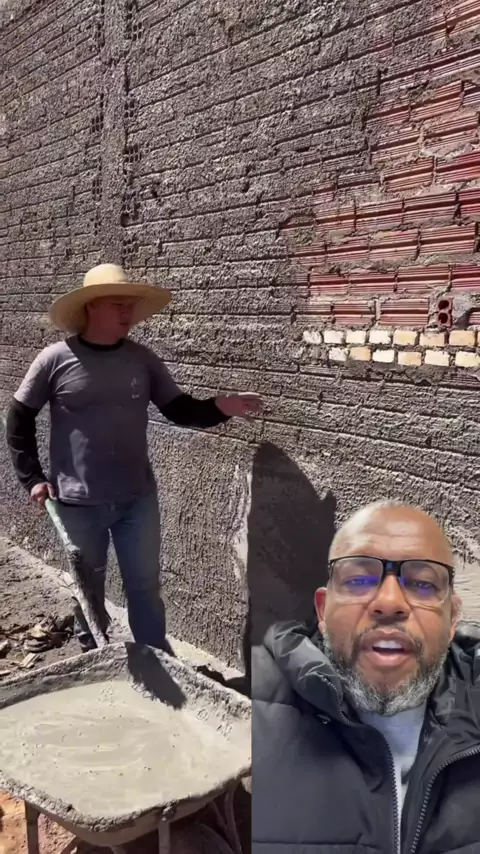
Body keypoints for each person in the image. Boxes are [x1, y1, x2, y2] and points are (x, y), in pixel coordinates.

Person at [7, 263, 263, 653]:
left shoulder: (142, 359)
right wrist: (32, 477)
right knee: (88, 586)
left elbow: (179, 409)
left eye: (130, 305)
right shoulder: (55, 359)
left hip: (136, 499)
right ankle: (94, 655)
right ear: (92, 306)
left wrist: (220, 406)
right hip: (78, 502)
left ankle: (153, 655)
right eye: (117, 305)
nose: (128, 313)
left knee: (144, 584)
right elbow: (19, 418)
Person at [252, 500, 480, 854]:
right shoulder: (248, 710)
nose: (389, 602)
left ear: (452, 619)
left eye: (422, 584)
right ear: (322, 611)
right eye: (358, 580)